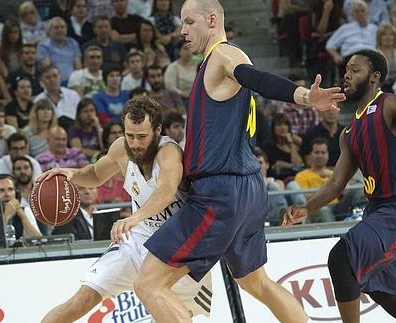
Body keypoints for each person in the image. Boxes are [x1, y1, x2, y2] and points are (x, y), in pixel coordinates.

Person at [129, 1, 344, 322]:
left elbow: (256, 77)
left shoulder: (224, 55)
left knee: (148, 284)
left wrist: (304, 96)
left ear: (212, 19)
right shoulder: (214, 64)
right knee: (256, 281)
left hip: (220, 192)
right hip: (245, 187)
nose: (182, 31)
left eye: (189, 22)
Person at [282, 49, 396, 322]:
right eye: (346, 69)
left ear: (374, 77)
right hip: (379, 210)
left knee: (341, 259)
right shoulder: (349, 131)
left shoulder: (392, 103)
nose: (347, 74)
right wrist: (307, 208)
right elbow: (337, 182)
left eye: (355, 69)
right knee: (382, 290)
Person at [40, 96, 212, 323]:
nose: (135, 144)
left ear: (157, 130)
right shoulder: (121, 148)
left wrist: (134, 217)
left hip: (177, 247)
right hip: (137, 240)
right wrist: (71, 174)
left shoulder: (169, 152)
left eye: (142, 137)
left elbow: (166, 191)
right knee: (82, 298)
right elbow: (94, 174)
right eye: (130, 135)